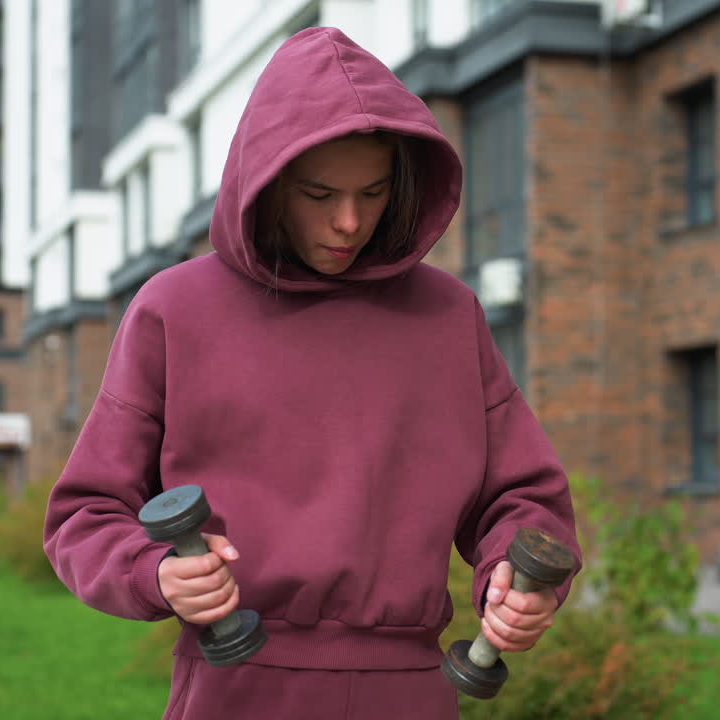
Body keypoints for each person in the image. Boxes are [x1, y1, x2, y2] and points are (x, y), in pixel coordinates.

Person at [43, 26, 582, 720]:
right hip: (236, 689)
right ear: (266, 183)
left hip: (409, 695)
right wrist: (154, 572)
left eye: (373, 192)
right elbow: (85, 515)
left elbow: (524, 496)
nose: (349, 222)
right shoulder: (173, 310)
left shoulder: (448, 316)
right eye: (319, 194)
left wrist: (515, 578)